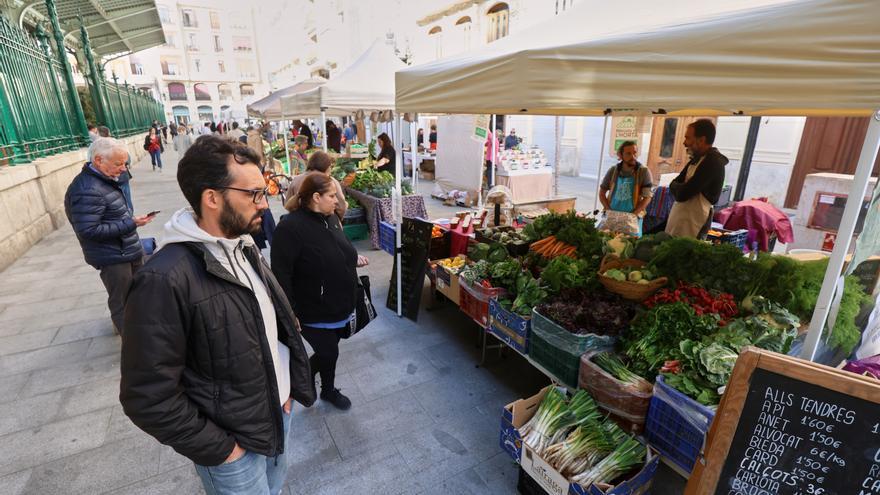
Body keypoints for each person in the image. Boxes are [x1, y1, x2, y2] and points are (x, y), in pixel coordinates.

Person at [119, 136, 316, 495]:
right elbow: (147, 396)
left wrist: (286, 391)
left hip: (275, 415)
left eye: (265, 190)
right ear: (212, 198)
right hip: (233, 446)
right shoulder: (162, 280)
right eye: (254, 194)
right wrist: (224, 450)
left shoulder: (242, 244)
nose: (264, 204)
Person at [271, 173, 369, 411]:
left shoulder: (332, 218)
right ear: (316, 197)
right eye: (332, 196)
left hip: (340, 305)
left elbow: (339, 247)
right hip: (313, 310)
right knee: (329, 352)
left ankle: (315, 384)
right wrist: (290, 311)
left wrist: (353, 258)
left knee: (329, 351)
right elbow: (281, 274)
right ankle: (324, 389)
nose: (338, 201)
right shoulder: (290, 227)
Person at [65, 137, 155, 334]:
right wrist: (130, 223)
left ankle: (140, 333)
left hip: (125, 250)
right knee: (122, 302)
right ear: (98, 160)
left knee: (137, 294)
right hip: (113, 256)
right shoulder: (87, 189)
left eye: (125, 163)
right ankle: (133, 347)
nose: (123, 169)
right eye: (118, 164)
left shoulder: (103, 180)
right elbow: (88, 230)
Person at [666, 119, 728, 238]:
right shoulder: (697, 159)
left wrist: (680, 187)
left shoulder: (712, 162)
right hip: (681, 217)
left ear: (701, 140)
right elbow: (673, 184)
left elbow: (683, 194)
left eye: (688, 138)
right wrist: (680, 186)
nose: (684, 143)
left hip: (694, 221)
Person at [599, 141, 654, 236]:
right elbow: (602, 192)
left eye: (635, 153)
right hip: (612, 216)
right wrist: (608, 210)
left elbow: (647, 197)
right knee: (605, 242)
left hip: (632, 218)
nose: (633, 156)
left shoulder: (644, 171)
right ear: (621, 155)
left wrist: (633, 215)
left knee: (629, 246)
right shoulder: (613, 170)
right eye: (628, 153)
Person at [284, 151, 347, 220]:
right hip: (323, 222)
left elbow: (288, 203)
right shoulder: (330, 182)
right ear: (326, 167)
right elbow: (341, 207)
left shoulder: (296, 180)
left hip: (299, 222)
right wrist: (336, 221)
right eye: (330, 167)